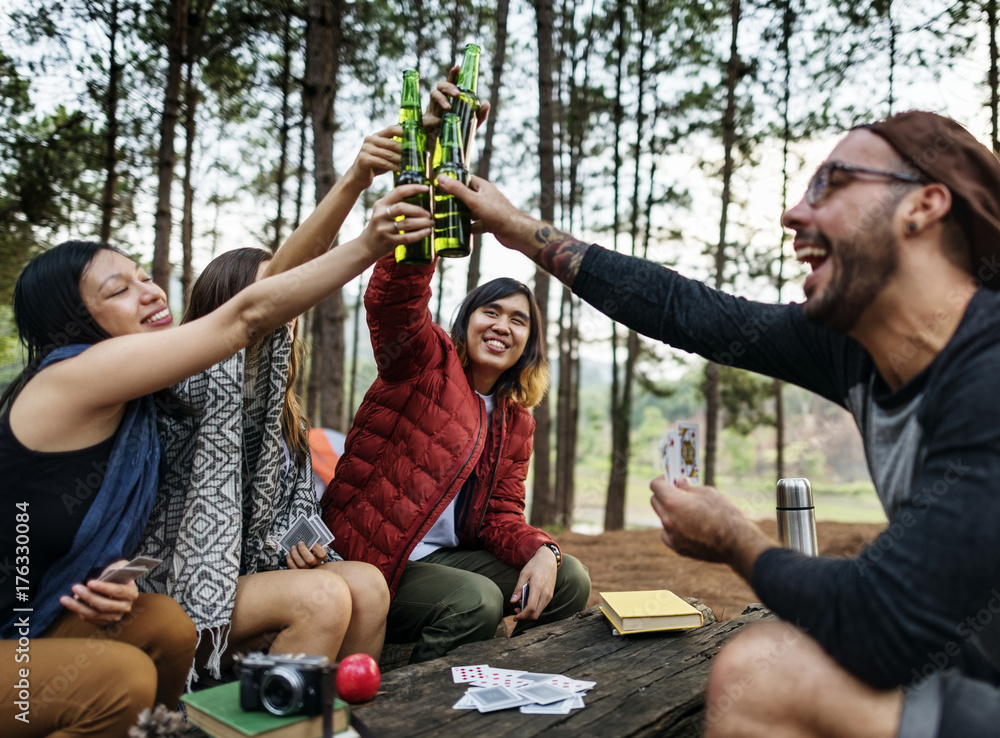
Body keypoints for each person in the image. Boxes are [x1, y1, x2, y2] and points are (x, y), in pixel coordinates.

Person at [437, 110, 1000, 736]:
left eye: (831, 184)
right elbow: (688, 311)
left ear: (923, 205)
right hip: (959, 669)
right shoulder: (857, 351)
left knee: (761, 672)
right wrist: (517, 230)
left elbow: (882, 620)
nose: (795, 213)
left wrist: (737, 539)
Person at [0, 176, 430, 734]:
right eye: (119, 290)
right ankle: (266, 725)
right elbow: (253, 308)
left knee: (171, 628)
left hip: (64, 614)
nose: (151, 291)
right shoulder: (80, 378)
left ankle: (312, 722)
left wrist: (115, 574)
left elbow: (121, 531)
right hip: (27, 631)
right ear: (75, 323)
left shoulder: (138, 402)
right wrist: (368, 231)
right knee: (128, 675)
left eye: (145, 276)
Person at [134, 131, 402, 678]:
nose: (292, 308)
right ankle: (273, 722)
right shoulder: (185, 379)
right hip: (180, 578)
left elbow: (294, 506)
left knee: (367, 586)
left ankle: (334, 714)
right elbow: (275, 288)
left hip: (251, 571)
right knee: (323, 597)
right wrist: (355, 179)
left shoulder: (281, 412)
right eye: (281, 297)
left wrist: (298, 544)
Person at [320, 259, 592, 663]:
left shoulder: (516, 420)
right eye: (491, 312)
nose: (503, 326)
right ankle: (415, 704)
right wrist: (421, 238)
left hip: (442, 558)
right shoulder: (424, 364)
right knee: (474, 599)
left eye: (518, 320)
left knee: (569, 577)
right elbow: (394, 304)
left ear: (528, 343)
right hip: (375, 559)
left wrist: (543, 550)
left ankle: (516, 676)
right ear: (466, 322)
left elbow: (500, 514)